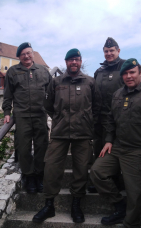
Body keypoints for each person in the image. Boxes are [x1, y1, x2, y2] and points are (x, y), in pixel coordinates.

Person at [90, 58, 141, 227]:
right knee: (96, 172)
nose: (129, 76)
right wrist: (108, 140)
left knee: (135, 193)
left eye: (132, 72)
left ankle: (131, 223)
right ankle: (120, 206)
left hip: (139, 150)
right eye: (125, 73)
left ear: (140, 73)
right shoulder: (117, 94)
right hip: (118, 147)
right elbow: (111, 120)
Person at [32, 48, 101, 224]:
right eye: (71, 60)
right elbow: (48, 104)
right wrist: (59, 118)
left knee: (80, 169)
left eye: (77, 60)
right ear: (66, 62)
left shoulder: (90, 82)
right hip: (60, 132)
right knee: (52, 167)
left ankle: (76, 204)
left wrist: (87, 121)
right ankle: (49, 205)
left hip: (83, 133)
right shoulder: (56, 82)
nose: (74, 63)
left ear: (80, 61)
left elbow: (97, 106)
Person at [2, 42, 51, 194]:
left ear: (33, 54)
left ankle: (39, 175)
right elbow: (7, 94)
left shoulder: (43, 71)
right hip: (22, 115)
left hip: (40, 114)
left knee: (41, 146)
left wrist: (53, 110)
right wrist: (6, 112)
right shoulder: (13, 72)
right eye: (23, 54)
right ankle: (29, 176)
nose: (27, 56)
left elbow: (52, 93)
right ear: (19, 56)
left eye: (29, 53)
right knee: (23, 147)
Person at [88, 37, 126, 193]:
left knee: (114, 150)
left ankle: (115, 181)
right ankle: (99, 181)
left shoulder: (125, 67)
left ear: (118, 50)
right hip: (99, 117)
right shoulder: (99, 71)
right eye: (106, 51)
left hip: (117, 117)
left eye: (111, 50)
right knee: (98, 148)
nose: (109, 53)